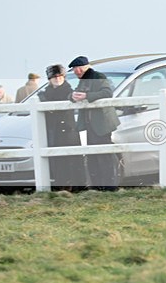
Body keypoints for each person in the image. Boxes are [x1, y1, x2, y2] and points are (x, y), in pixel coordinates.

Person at [69, 56, 120, 191]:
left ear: (82, 68)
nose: (75, 72)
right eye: (74, 69)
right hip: (91, 125)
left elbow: (107, 93)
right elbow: (76, 93)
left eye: (76, 69)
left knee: (104, 157)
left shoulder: (98, 76)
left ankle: (109, 187)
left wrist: (87, 96)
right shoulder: (85, 80)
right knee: (94, 156)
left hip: (101, 125)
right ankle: (98, 186)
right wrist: (72, 96)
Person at [38, 64, 85, 190]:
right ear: (50, 79)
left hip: (68, 131)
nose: (57, 79)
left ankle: (75, 186)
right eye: (54, 77)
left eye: (60, 76)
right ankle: (61, 186)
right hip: (53, 131)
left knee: (72, 160)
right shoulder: (46, 93)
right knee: (57, 161)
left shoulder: (68, 91)